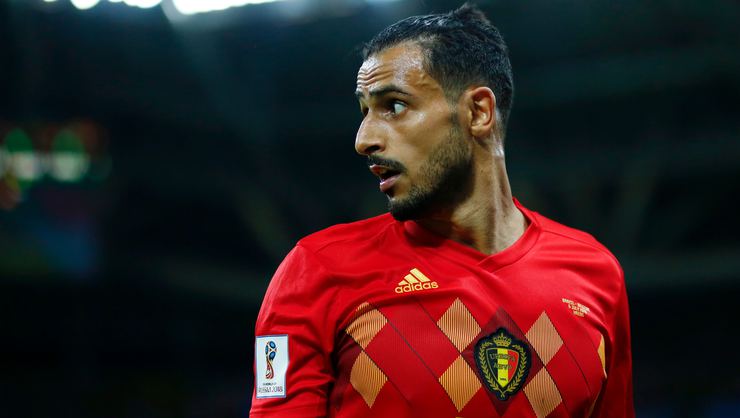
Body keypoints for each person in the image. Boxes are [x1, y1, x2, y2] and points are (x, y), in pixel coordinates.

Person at [250, 4, 634, 418]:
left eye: (394, 106)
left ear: (478, 112)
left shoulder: (595, 275)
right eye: (365, 111)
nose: (364, 140)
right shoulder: (317, 272)